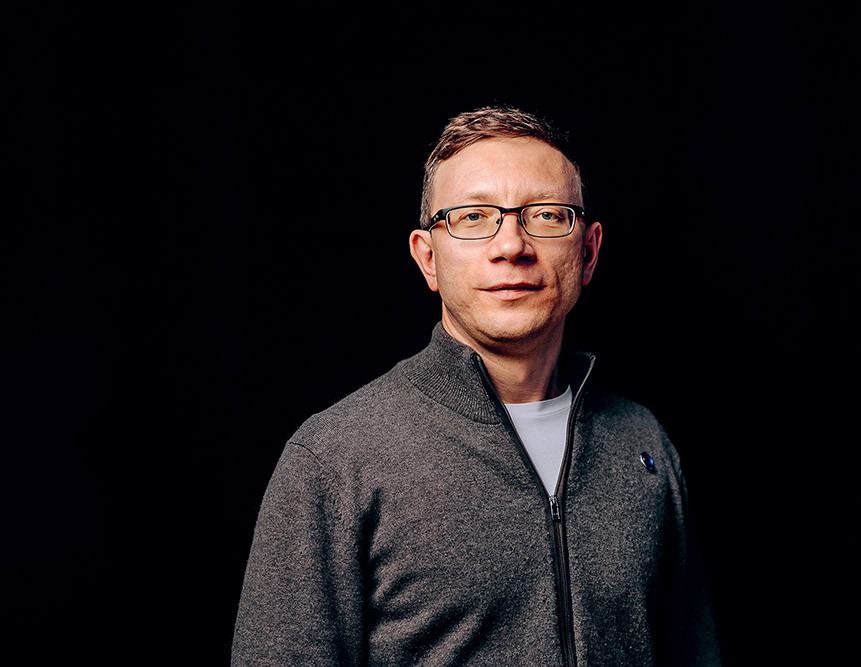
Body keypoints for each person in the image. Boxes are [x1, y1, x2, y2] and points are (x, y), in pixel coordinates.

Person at [232, 106, 721, 665]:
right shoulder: (335, 460)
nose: (511, 245)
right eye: (472, 217)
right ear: (428, 258)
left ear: (587, 252)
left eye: (546, 215)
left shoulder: (643, 443)